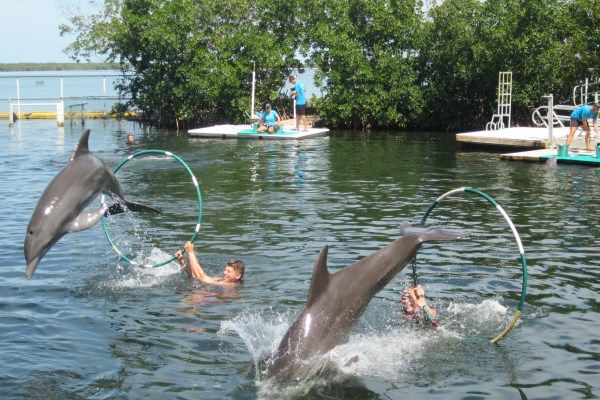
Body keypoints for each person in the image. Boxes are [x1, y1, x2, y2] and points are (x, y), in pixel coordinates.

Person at [175, 241, 245, 286]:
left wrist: (191, 253)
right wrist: (181, 261)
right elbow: (195, 277)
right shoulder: (221, 279)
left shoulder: (230, 285)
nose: (224, 272)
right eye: (225, 270)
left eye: (228, 271)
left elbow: (202, 278)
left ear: (238, 276)